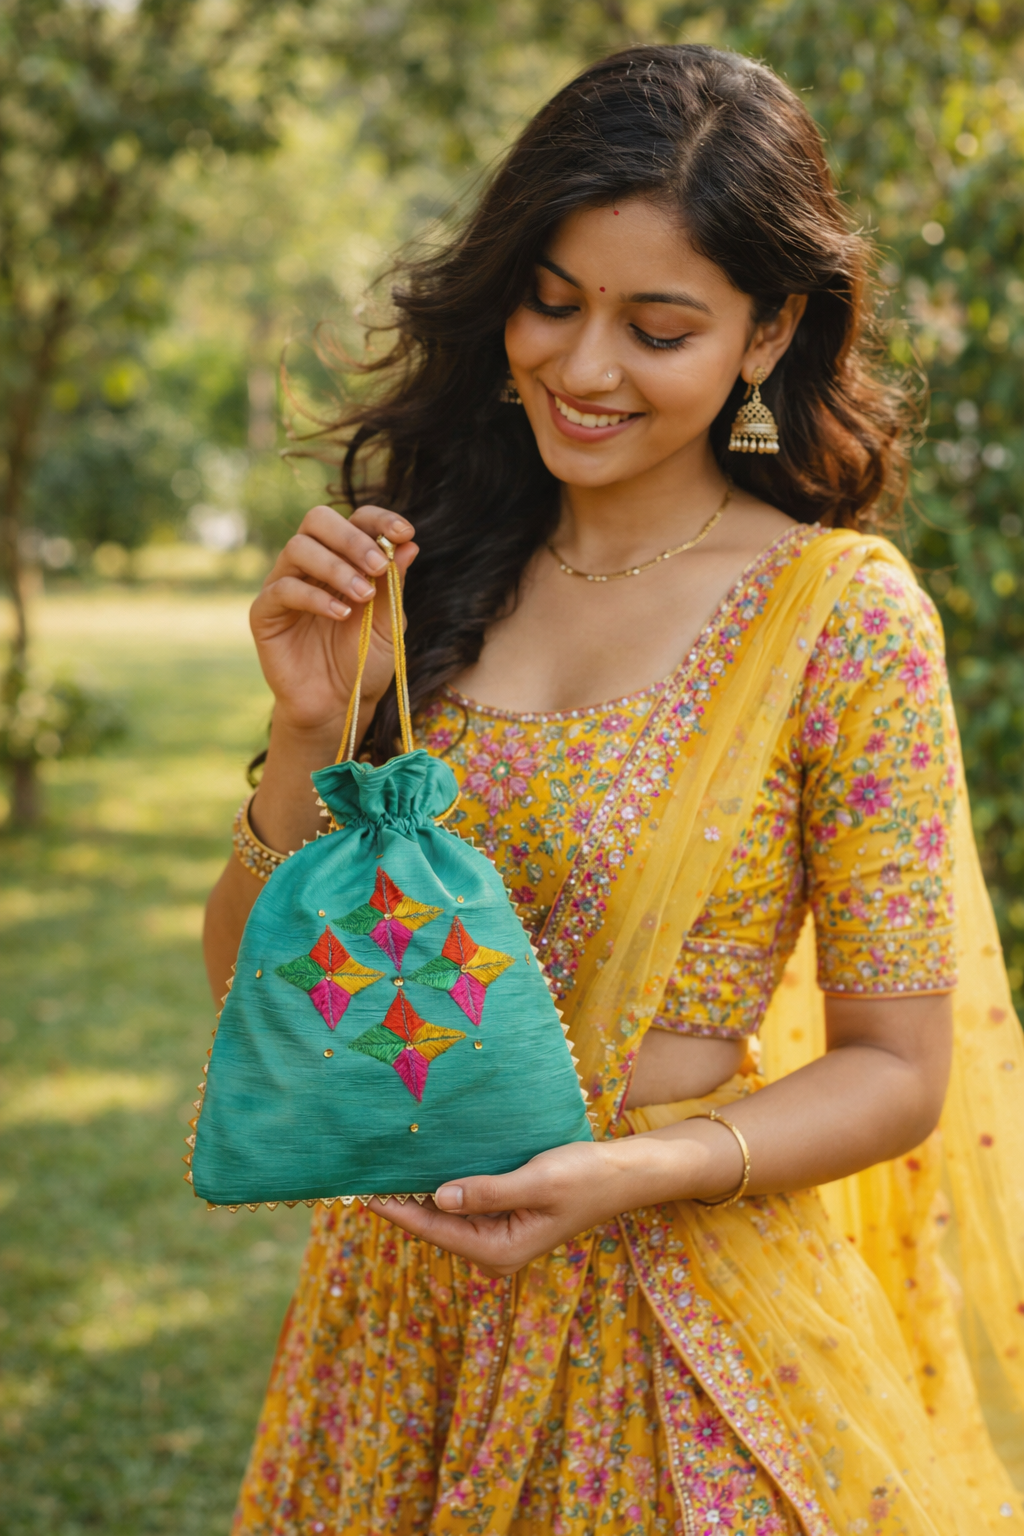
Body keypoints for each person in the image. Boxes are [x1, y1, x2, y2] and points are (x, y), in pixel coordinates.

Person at [204, 44, 1024, 1536]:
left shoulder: (839, 618)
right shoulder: (427, 572)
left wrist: (633, 1172)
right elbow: (250, 996)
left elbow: (899, 1070)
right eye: (552, 301)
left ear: (769, 331)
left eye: (657, 329)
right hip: (396, 1329)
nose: (583, 370)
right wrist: (307, 734)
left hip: (678, 1321)